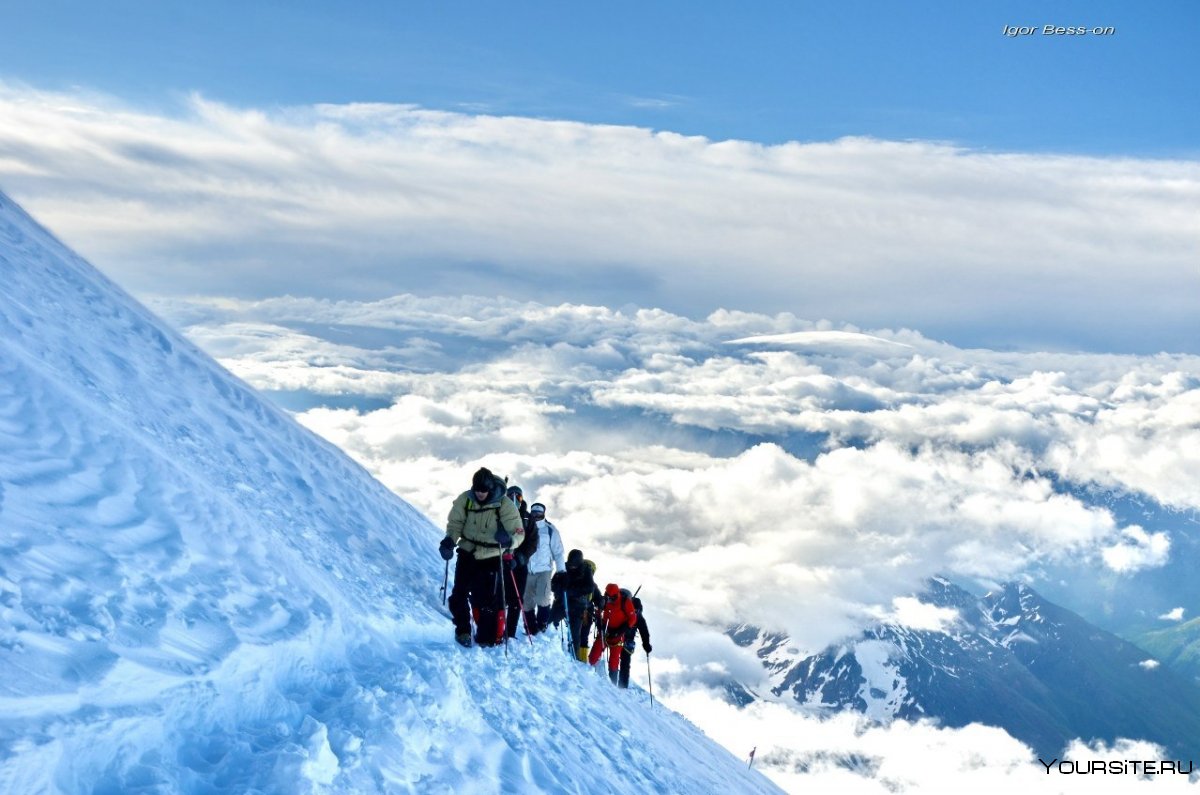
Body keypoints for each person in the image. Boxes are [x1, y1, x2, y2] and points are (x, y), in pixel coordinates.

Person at [439, 467, 524, 647]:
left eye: (483, 491)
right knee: (458, 595)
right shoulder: (466, 499)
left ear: (490, 488)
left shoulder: (504, 504)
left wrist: (510, 540)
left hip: (492, 556)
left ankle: (487, 638)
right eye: (477, 490)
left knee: (485, 600)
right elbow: (455, 523)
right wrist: (449, 540)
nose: (480, 494)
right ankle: (463, 631)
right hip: (467, 551)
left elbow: (519, 532)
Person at [521, 502, 565, 635]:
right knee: (526, 601)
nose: (536, 515)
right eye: (534, 513)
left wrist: (561, 571)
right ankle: (530, 626)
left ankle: (542, 623)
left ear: (543, 513)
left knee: (542, 598)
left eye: (539, 513)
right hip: (528, 569)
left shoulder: (550, 530)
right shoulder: (525, 526)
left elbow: (558, 552)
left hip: (544, 569)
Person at [551, 548, 601, 661]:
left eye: (574, 565)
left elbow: (590, 588)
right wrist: (559, 589)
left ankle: (575, 659)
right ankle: (548, 646)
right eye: (571, 564)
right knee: (549, 623)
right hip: (562, 603)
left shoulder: (586, 570)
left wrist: (570, 591)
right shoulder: (563, 567)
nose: (572, 567)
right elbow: (553, 584)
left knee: (575, 635)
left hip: (577, 607)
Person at [588, 583, 640, 684]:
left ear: (617, 595)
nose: (610, 600)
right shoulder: (605, 600)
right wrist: (599, 624)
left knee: (614, 661)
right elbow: (598, 611)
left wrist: (620, 630)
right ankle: (587, 672)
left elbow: (632, 619)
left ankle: (612, 685)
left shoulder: (625, 602)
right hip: (605, 632)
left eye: (612, 598)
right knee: (594, 654)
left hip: (618, 635)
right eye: (608, 597)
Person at [618, 592, 652, 689]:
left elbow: (644, 632)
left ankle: (622, 685)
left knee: (624, 661)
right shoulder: (638, 617)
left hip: (623, 638)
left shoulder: (637, 617)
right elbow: (644, 632)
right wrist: (646, 645)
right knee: (623, 661)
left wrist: (646, 645)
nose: (635, 611)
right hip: (623, 638)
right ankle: (621, 684)